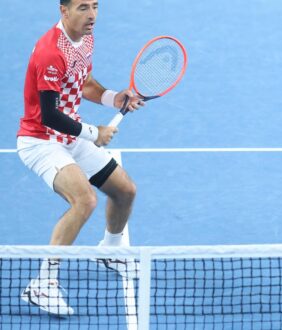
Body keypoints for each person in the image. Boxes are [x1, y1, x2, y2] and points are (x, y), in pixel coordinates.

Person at [17, 0, 144, 316]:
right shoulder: (51, 52)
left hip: (69, 135)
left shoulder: (86, 37)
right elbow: (48, 115)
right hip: (41, 140)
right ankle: (43, 284)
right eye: (83, 8)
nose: (92, 15)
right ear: (64, 11)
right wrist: (93, 133)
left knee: (125, 191)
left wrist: (114, 97)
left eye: (96, 7)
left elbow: (83, 82)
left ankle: (111, 251)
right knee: (85, 200)